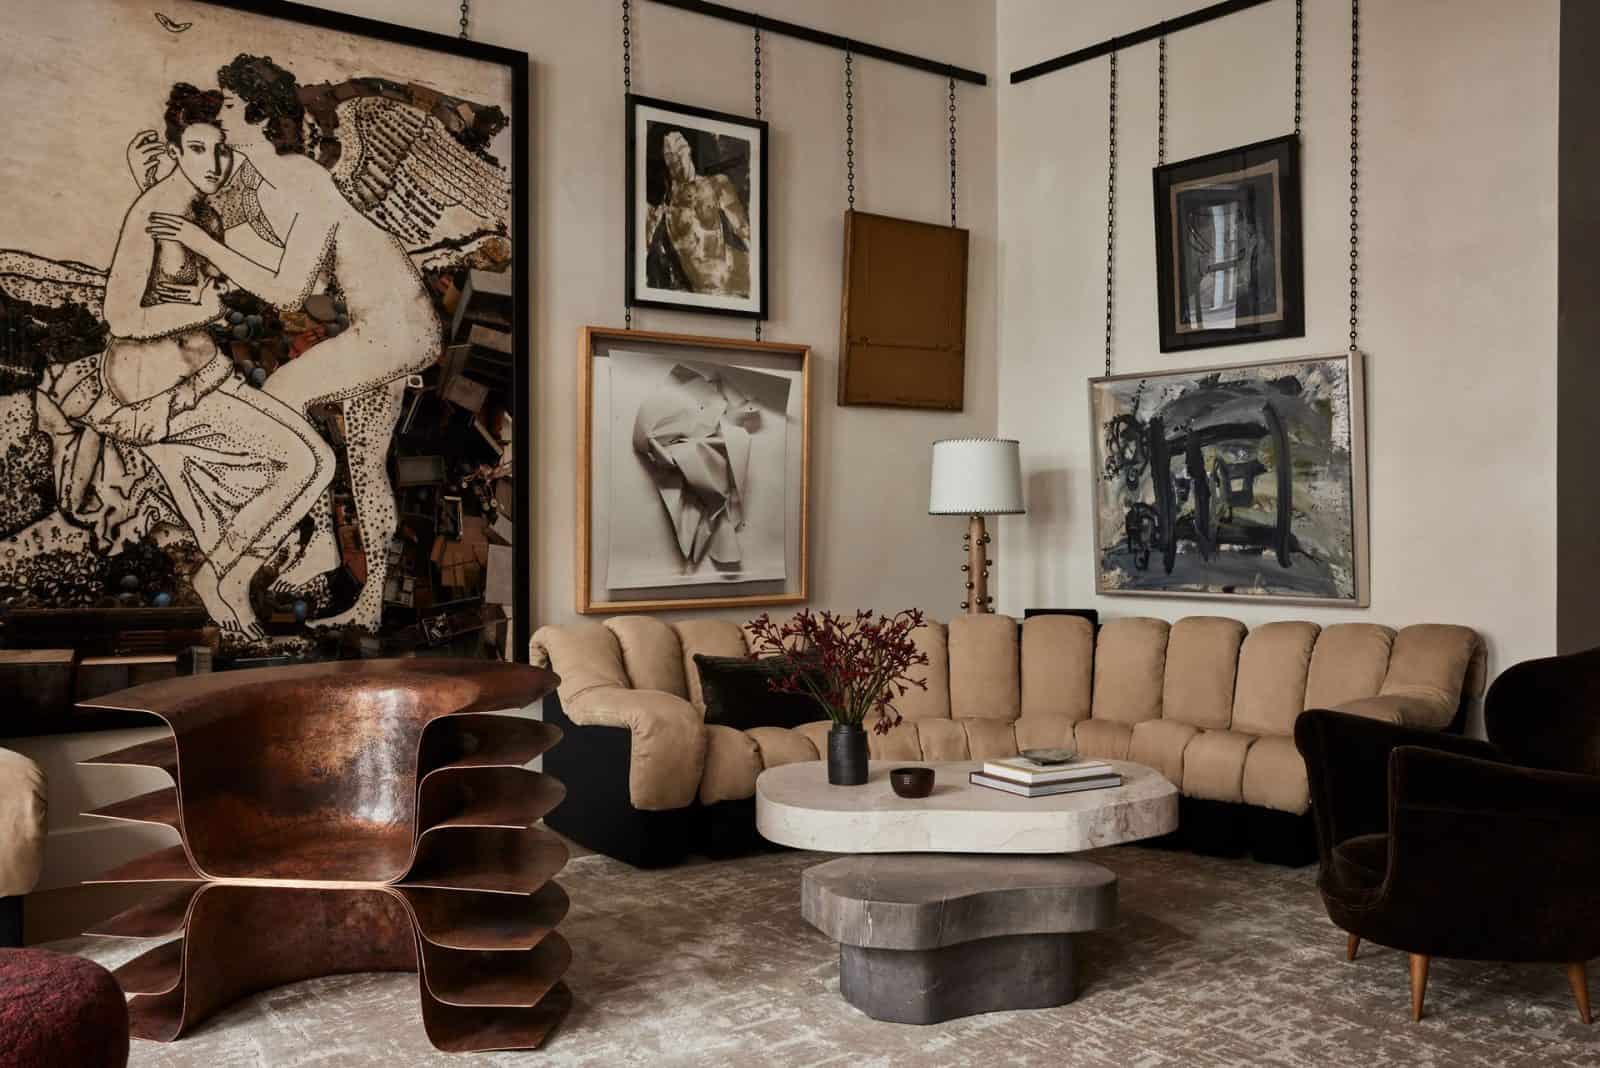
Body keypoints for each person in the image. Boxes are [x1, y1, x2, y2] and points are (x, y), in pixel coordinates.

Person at [146, 55, 442, 633]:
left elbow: (289, 289)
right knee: (366, 465)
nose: (220, 112)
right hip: (385, 325)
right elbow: (290, 274)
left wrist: (200, 242)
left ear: (259, 115)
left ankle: (321, 543)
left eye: (231, 104)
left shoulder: (301, 176)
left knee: (280, 395)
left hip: (397, 325)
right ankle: (371, 604)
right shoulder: (266, 183)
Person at [91, 83, 334, 636]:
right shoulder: (154, 211)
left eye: (222, 150)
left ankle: (225, 577)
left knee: (311, 463)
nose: (213, 163)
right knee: (310, 463)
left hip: (200, 373)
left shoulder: (198, 211)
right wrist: (201, 308)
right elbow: (120, 316)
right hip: (156, 384)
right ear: (175, 150)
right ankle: (223, 577)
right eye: (198, 149)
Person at [644, 130, 752, 299]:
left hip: (733, 279)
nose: (678, 161)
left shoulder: (716, 184)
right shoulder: (663, 208)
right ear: (666, 162)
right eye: (671, 157)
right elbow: (642, 252)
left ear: (688, 151)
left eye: (680, 152)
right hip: (702, 292)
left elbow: (745, 232)